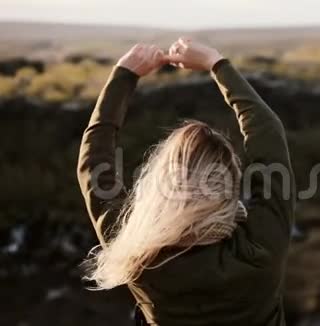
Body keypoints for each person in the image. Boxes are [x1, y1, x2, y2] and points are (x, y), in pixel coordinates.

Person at [76, 39, 295, 325]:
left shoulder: (137, 256)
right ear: (228, 185)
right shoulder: (260, 249)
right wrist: (216, 63)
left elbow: (94, 162)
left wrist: (123, 76)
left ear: (161, 184)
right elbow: (268, 135)